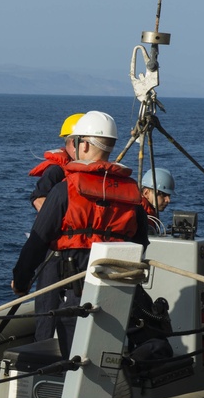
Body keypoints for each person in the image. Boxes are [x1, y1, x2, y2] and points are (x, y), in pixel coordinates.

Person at [12, 111, 149, 358]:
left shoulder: (66, 189)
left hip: (72, 289)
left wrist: (20, 280)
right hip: (116, 290)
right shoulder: (132, 194)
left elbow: (37, 241)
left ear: (83, 144)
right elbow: (141, 244)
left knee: (71, 351)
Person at [28, 113, 85, 342]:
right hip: (55, 250)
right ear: (72, 143)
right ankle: (42, 347)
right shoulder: (56, 172)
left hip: (78, 250)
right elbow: (38, 198)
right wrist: (61, 219)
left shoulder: (85, 174)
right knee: (47, 301)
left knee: (76, 301)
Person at [140, 167, 176, 233]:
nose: (168, 200)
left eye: (169, 195)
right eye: (163, 195)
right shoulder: (141, 215)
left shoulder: (148, 212)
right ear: (146, 193)